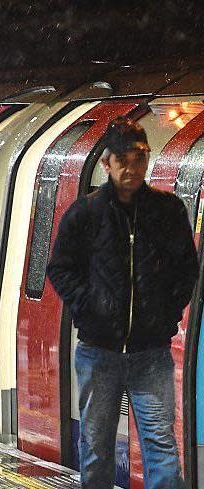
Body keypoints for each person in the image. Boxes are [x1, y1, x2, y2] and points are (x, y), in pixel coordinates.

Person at [47, 117, 198, 488]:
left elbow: (187, 269)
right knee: (96, 448)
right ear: (107, 163)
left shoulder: (167, 210)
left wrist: (168, 313)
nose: (132, 168)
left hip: (151, 352)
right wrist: (89, 307)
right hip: (99, 352)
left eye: (139, 159)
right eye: (123, 160)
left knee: (161, 445)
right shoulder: (86, 213)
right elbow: (60, 269)